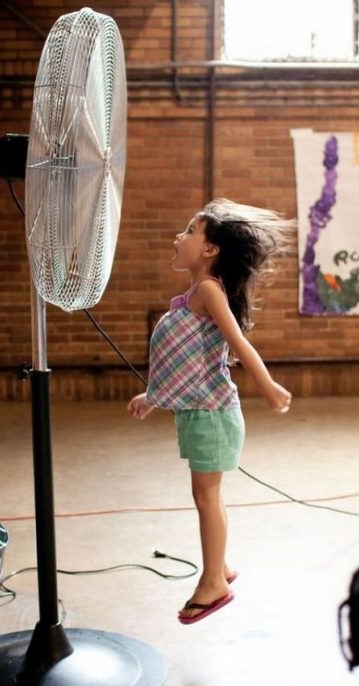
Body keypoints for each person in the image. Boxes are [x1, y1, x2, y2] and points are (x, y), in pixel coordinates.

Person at [127, 198, 295, 624]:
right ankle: (219, 566)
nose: (177, 237)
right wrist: (153, 396)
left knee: (206, 497)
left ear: (209, 250)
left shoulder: (207, 291)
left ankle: (212, 582)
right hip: (199, 412)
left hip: (212, 415)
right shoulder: (192, 297)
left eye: (189, 231)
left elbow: (239, 344)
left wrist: (268, 386)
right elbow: (182, 360)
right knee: (209, 495)